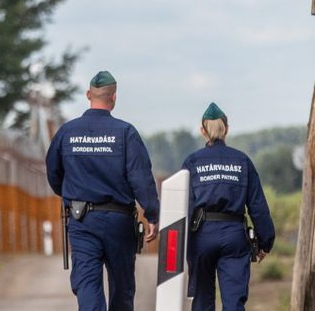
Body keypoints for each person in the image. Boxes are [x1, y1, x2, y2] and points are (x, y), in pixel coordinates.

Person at [45, 70, 160, 311]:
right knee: (122, 286)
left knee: (87, 284)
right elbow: (141, 178)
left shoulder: (67, 132)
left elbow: (54, 173)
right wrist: (152, 213)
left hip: (82, 220)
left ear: (88, 94)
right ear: (114, 97)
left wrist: (71, 194)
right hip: (119, 221)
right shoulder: (125, 132)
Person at [180, 102, 275, 311]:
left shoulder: (192, 162)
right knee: (234, 302)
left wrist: (182, 245)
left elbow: (184, 206)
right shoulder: (242, 161)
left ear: (202, 131)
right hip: (234, 237)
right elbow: (257, 206)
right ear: (227, 130)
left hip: (201, 236)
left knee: (203, 300)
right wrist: (265, 242)